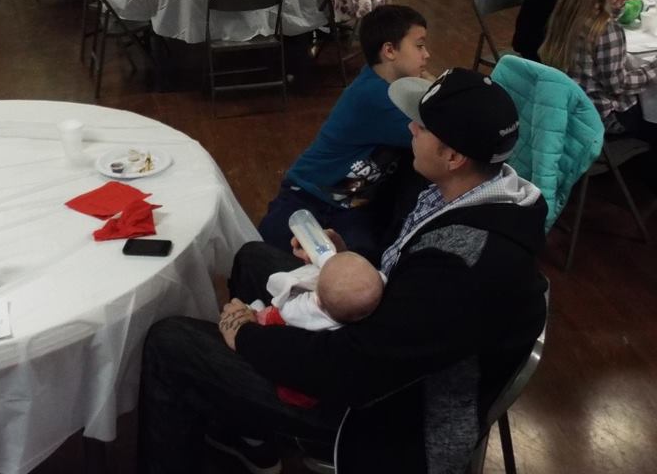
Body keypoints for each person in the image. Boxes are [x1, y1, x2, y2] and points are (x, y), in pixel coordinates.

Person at [138, 67, 548, 474]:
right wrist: (342, 259)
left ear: (454, 157)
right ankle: (253, 437)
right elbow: (404, 286)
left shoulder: (461, 268)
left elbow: (354, 368)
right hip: (388, 348)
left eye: (422, 126)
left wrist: (245, 335)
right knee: (252, 258)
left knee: (170, 343)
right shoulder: (476, 193)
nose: (410, 127)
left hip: (387, 416)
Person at [258, 5, 429, 261]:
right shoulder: (376, 98)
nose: (427, 54)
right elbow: (442, 128)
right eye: (419, 46)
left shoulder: (382, 82)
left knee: (360, 258)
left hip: (350, 203)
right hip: (309, 196)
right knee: (275, 253)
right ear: (389, 50)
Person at [539, 0, 657, 142]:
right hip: (601, 116)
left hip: (567, 105)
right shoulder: (607, 29)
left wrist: (612, 10)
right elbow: (619, 86)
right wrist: (653, 69)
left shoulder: (567, 11)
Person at [252, 250, 383, 332]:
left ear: (318, 301)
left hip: (280, 324)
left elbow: (284, 307)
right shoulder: (369, 294)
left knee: (265, 316)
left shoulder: (309, 311)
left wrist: (290, 283)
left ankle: (256, 315)